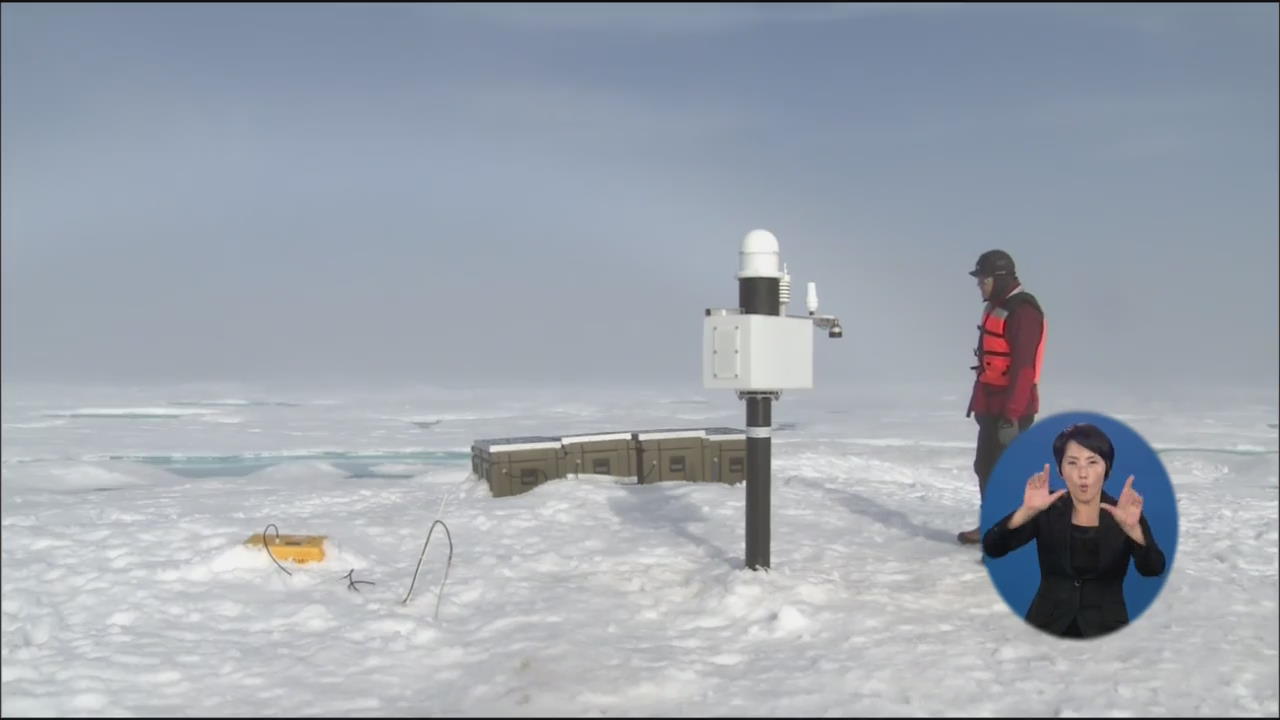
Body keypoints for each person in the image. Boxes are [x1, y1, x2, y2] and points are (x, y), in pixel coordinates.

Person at [982, 423, 1167, 639]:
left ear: (1107, 468)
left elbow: (1153, 568)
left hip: (1107, 631)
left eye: (1092, 462)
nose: (1082, 473)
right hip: (1046, 626)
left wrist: (1133, 531)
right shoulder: (1047, 508)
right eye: (1072, 463)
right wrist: (1027, 511)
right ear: (1061, 470)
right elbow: (992, 547)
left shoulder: (1125, 514)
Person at [957, 250, 1046, 544]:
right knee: (985, 466)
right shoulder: (996, 308)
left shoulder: (1024, 312)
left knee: (1004, 473)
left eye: (983, 279)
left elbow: (1023, 367)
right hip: (992, 405)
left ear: (999, 278)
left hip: (1013, 409)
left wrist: (1011, 414)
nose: (979, 284)